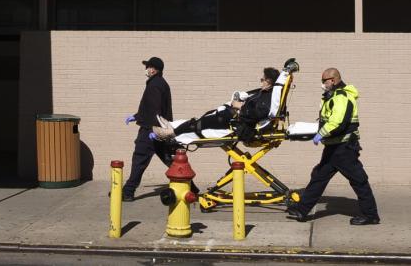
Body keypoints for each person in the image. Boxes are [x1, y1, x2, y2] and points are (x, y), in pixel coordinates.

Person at [287, 68, 380, 225]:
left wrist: (321, 134)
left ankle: (370, 215)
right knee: (319, 177)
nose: (322, 84)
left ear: (333, 80)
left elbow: (337, 122)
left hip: (344, 148)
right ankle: (301, 210)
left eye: (324, 81)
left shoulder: (341, 96)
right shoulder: (332, 96)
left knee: (358, 180)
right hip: (334, 147)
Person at [159, 67, 281, 140]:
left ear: (269, 81)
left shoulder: (267, 97)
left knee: (199, 123)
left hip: (233, 122)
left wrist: (240, 106)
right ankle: (173, 125)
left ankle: (171, 132)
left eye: (262, 80)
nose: (261, 82)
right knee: (202, 119)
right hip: (231, 116)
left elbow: (259, 113)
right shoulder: (264, 94)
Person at [122, 56, 174, 202]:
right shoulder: (160, 83)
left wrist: (153, 130)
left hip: (150, 130)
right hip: (158, 129)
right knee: (171, 161)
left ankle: (128, 192)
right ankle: (191, 189)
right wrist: (136, 116)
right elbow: (150, 108)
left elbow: (155, 109)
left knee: (139, 159)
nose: (146, 70)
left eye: (148, 67)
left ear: (154, 69)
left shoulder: (155, 85)